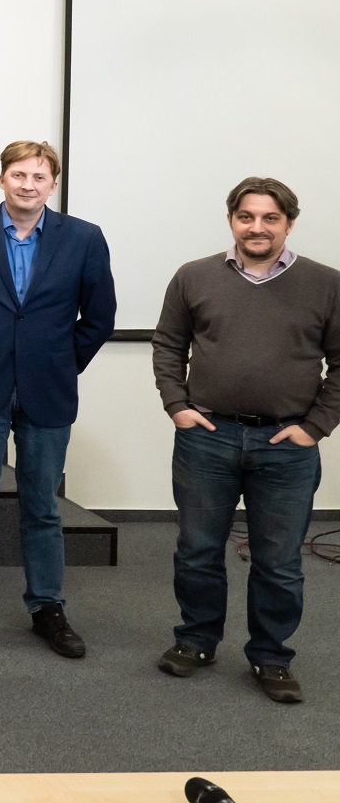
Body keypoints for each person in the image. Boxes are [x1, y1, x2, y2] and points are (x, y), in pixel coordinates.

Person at [0, 141, 116, 657]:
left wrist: (61, 362)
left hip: (48, 389)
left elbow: (99, 317)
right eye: (18, 175)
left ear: (52, 184)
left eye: (38, 176)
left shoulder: (84, 238)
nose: (28, 185)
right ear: (2, 179)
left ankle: (47, 607)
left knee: (42, 506)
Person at [153, 177, 339, 704]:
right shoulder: (193, 276)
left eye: (270, 218)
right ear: (232, 220)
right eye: (247, 216)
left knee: (279, 561)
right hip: (207, 439)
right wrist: (177, 405)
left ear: (289, 224)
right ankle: (197, 641)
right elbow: (168, 345)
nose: (257, 227)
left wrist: (315, 426)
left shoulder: (326, 284)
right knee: (197, 550)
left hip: (287, 444)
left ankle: (271, 656)